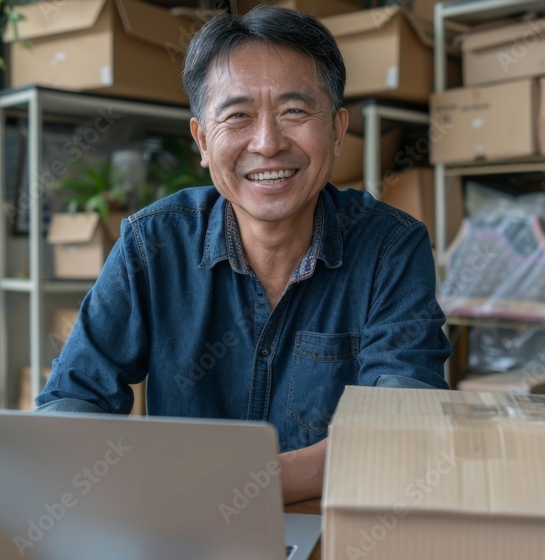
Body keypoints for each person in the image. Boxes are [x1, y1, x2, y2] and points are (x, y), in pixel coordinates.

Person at [36, 7, 450, 503]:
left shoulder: (390, 247)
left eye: (295, 112)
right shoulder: (153, 243)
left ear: (338, 130)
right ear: (203, 140)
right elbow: (72, 400)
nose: (268, 143)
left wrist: (228, 486)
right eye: (237, 116)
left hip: (329, 530)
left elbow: (404, 425)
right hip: (182, 530)